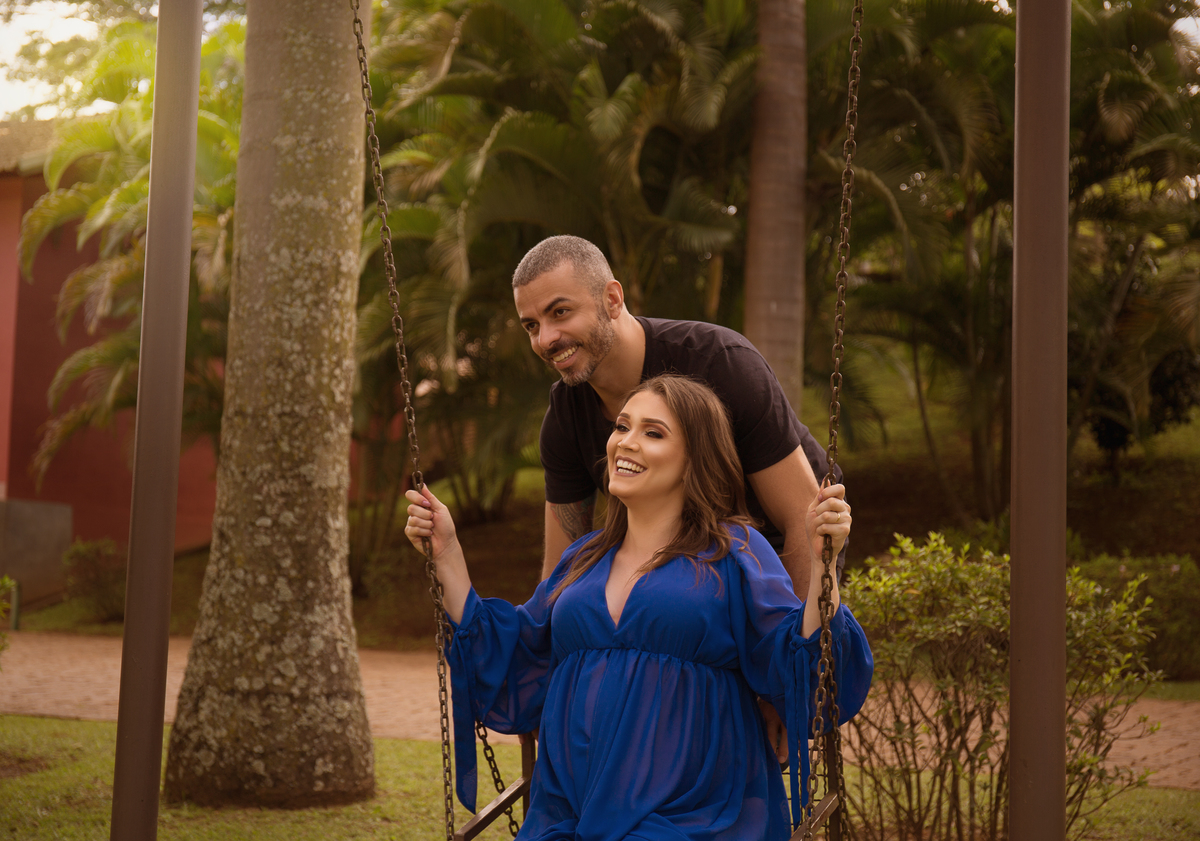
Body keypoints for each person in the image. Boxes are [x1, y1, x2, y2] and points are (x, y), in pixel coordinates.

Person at [405, 374, 873, 840]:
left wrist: (823, 565)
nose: (626, 443)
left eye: (653, 433)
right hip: (571, 809)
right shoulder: (583, 559)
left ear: (693, 460)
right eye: (622, 427)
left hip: (692, 810)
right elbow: (516, 653)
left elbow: (797, 660)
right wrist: (448, 555)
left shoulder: (734, 550)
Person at [512, 235, 845, 601]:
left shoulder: (721, 364)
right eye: (531, 326)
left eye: (560, 312)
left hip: (778, 555)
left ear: (612, 300)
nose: (545, 339)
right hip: (679, 573)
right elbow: (560, 569)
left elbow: (801, 518)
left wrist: (796, 629)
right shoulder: (565, 417)